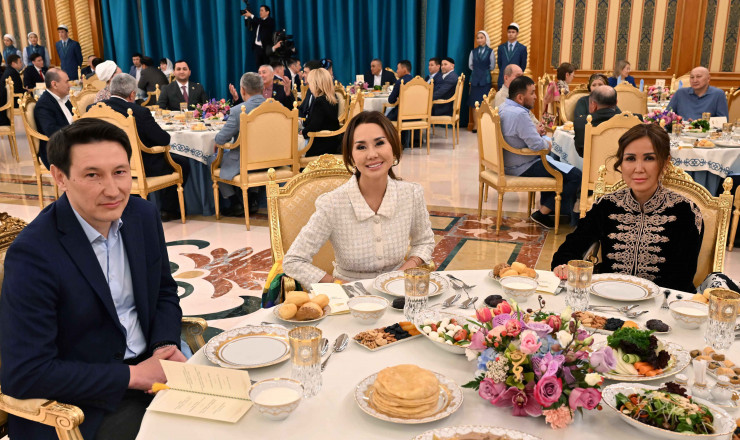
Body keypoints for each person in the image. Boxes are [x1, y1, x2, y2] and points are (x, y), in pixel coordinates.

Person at [0, 118, 185, 440]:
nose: (113, 190)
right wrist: (133, 376)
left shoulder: (141, 216)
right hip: (84, 404)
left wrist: (164, 345)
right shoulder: (34, 254)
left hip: (151, 369)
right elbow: (25, 373)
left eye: (120, 172)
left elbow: (164, 293)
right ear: (60, 177)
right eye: (92, 175)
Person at [283, 110, 435, 286]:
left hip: (398, 289)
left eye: (379, 143)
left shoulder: (411, 194)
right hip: (348, 295)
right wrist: (338, 284)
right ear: (351, 156)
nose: (372, 154)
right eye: (361, 147)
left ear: (393, 147)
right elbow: (293, 261)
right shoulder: (332, 204)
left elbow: (424, 241)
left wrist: (404, 271)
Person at [552, 123, 703, 292]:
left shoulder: (686, 212)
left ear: (665, 163)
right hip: (608, 297)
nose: (638, 169)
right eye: (630, 158)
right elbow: (569, 249)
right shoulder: (606, 206)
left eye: (649, 158)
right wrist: (564, 266)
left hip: (662, 302)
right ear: (621, 163)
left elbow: (682, 279)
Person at [99, 74, 190, 222]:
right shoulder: (139, 112)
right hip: (141, 166)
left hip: (106, 165)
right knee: (181, 163)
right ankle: (168, 210)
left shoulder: (94, 109)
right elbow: (163, 139)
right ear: (132, 94)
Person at [499, 76, 582, 228]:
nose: (536, 97)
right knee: (575, 175)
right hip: (522, 165)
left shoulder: (504, 107)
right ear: (520, 97)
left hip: (511, 161)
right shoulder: (520, 114)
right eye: (532, 93)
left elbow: (516, 135)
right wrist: (549, 144)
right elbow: (538, 146)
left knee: (556, 165)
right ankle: (543, 213)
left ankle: (551, 209)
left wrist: (534, 132)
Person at [213, 72, 266, 216]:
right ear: (262, 88)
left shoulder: (238, 111)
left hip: (245, 161)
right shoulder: (277, 107)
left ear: (242, 90)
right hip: (272, 161)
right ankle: (253, 199)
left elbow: (221, 139)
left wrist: (216, 140)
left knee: (212, 159)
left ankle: (234, 202)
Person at [34, 68, 73, 168]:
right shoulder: (44, 104)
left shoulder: (64, 98)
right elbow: (51, 131)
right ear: (54, 84)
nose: (70, 85)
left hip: (70, 142)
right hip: (57, 150)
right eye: (67, 82)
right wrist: (76, 132)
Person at [301, 68, 341, 156]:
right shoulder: (332, 97)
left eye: (310, 83)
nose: (309, 87)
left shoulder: (320, 101)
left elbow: (314, 126)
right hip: (331, 141)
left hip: (320, 145)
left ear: (316, 84)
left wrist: (303, 132)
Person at [494, 64, 544, 133]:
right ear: (506, 78)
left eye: (522, 76)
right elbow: (509, 125)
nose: (521, 80)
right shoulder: (501, 97)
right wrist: (534, 130)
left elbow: (529, 114)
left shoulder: (520, 93)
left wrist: (539, 125)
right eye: (518, 76)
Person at [573, 85, 621, 157]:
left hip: (593, 163)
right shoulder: (633, 120)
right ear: (616, 102)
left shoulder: (581, 122)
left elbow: (582, 153)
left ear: (594, 105)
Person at [469, 30, 495, 132]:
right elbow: (470, 65)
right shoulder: (473, 51)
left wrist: (483, 70)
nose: (479, 40)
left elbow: (492, 66)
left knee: (485, 103)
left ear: (485, 39)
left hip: (485, 79)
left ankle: (484, 125)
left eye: (481, 37)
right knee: (474, 102)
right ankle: (476, 125)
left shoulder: (490, 51)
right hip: (475, 79)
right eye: (478, 38)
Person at [542, 62, 576, 126]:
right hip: (561, 116)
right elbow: (568, 101)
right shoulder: (562, 87)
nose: (573, 78)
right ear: (567, 75)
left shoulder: (559, 84)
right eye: (572, 75)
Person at [496, 23, 527, 89]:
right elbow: (500, 63)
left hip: (516, 80)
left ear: (517, 33)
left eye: (513, 32)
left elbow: (523, 65)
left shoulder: (522, 48)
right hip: (503, 79)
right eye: (509, 32)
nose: (510, 34)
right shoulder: (501, 47)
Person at [0, 54, 23, 125]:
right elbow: (16, 91)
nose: (22, 63)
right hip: (11, 102)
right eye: (20, 62)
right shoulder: (12, 73)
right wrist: (27, 91)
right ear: (13, 63)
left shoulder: (10, 70)